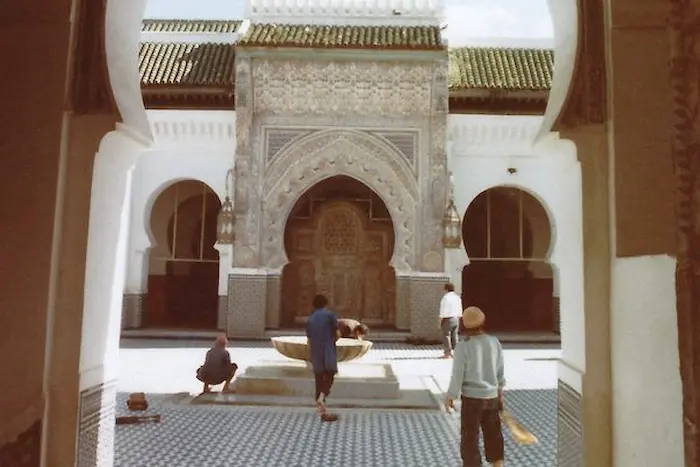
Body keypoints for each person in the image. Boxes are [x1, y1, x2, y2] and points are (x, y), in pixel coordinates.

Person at [444, 306, 506, 467]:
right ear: (483, 321)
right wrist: (500, 394)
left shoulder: (463, 346)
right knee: (493, 433)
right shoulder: (494, 342)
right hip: (491, 396)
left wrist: (451, 395)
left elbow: (458, 374)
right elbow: (500, 371)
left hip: (472, 399)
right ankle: (498, 464)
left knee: (470, 436)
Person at [306, 294, 340, 422]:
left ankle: (322, 412)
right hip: (328, 349)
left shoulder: (310, 319)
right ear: (325, 303)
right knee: (330, 375)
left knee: (319, 379)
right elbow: (337, 334)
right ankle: (322, 398)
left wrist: (310, 357)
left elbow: (309, 340)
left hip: (316, 351)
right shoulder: (330, 315)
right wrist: (332, 341)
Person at [439, 283, 463, 358]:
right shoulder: (457, 298)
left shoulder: (446, 298)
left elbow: (443, 311)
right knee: (455, 336)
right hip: (456, 318)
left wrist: (439, 321)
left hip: (447, 319)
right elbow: (460, 309)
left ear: (446, 289)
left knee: (446, 335)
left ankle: (447, 353)